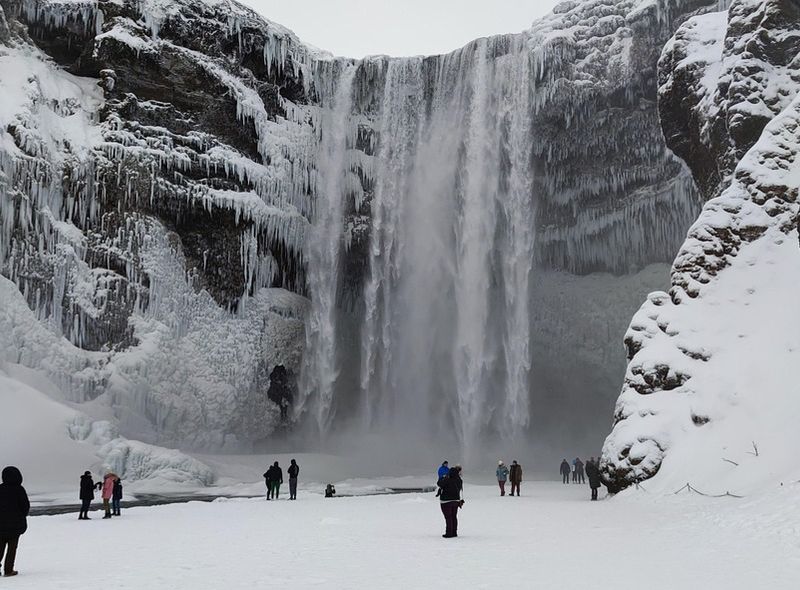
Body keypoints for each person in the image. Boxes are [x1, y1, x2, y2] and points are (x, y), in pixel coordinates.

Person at [0, 466, 30, 577]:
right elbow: (25, 506)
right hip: (15, 524)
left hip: (0, 525)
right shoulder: (19, 489)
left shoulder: (0, 489)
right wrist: (22, 516)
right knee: (12, 548)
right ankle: (8, 570)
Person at [437, 466, 463, 538]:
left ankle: (449, 533)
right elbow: (460, 488)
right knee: (454, 516)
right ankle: (454, 532)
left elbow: (439, 483)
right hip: (456, 501)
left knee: (448, 517)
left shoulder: (447, 479)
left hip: (446, 501)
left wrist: (443, 477)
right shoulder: (459, 480)